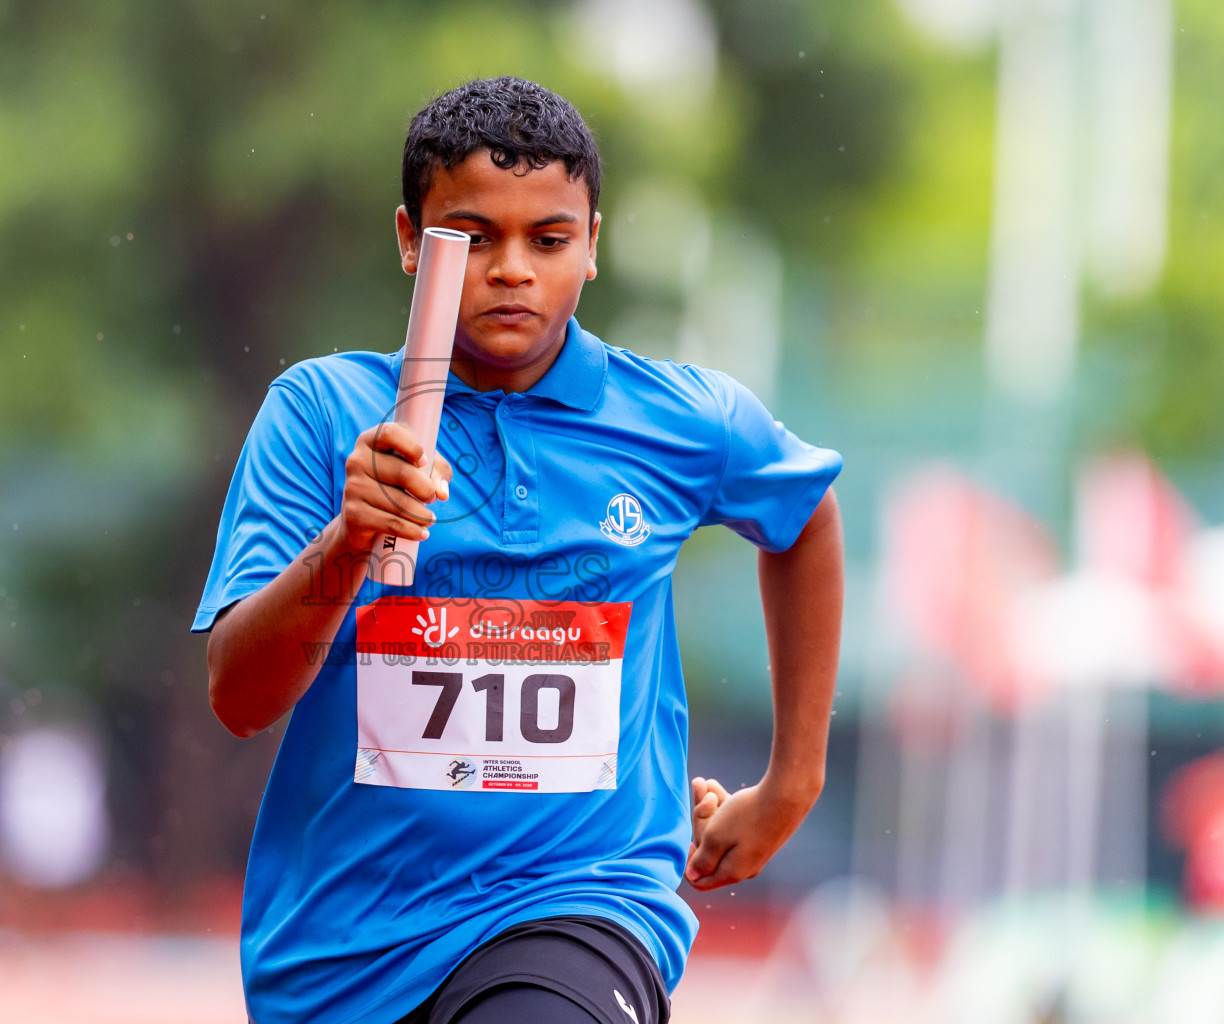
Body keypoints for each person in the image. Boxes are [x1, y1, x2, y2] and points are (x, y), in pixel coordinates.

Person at [196, 76, 844, 1024]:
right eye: (472, 236)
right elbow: (240, 700)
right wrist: (352, 540)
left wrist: (792, 781)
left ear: (591, 247)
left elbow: (804, 517)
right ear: (413, 242)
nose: (511, 269)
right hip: (344, 955)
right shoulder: (320, 414)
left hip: (580, 905)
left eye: (547, 238)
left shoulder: (680, 420)